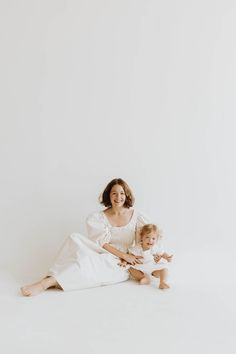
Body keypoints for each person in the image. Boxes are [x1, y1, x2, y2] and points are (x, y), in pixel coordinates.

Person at [21, 178, 151, 296]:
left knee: (88, 263)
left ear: (126, 194)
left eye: (122, 193)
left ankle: (46, 284)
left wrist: (128, 257)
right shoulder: (98, 217)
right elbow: (102, 243)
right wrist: (123, 256)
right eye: (114, 193)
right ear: (109, 196)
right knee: (74, 239)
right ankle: (50, 277)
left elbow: (143, 242)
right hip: (104, 250)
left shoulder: (137, 216)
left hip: (121, 262)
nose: (118, 197)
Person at [126, 224, 173, 289]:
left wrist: (167, 257)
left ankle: (162, 282)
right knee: (130, 268)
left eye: (153, 238)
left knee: (164, 269)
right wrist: (125, 261)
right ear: (142, 238)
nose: (150, 240)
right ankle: (143, 279)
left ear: (156, 240)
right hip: (141, 268)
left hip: (153, 269)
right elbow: (130, 254)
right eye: (147, 237)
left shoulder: (156, 248)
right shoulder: (137, 248)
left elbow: (162, 253)